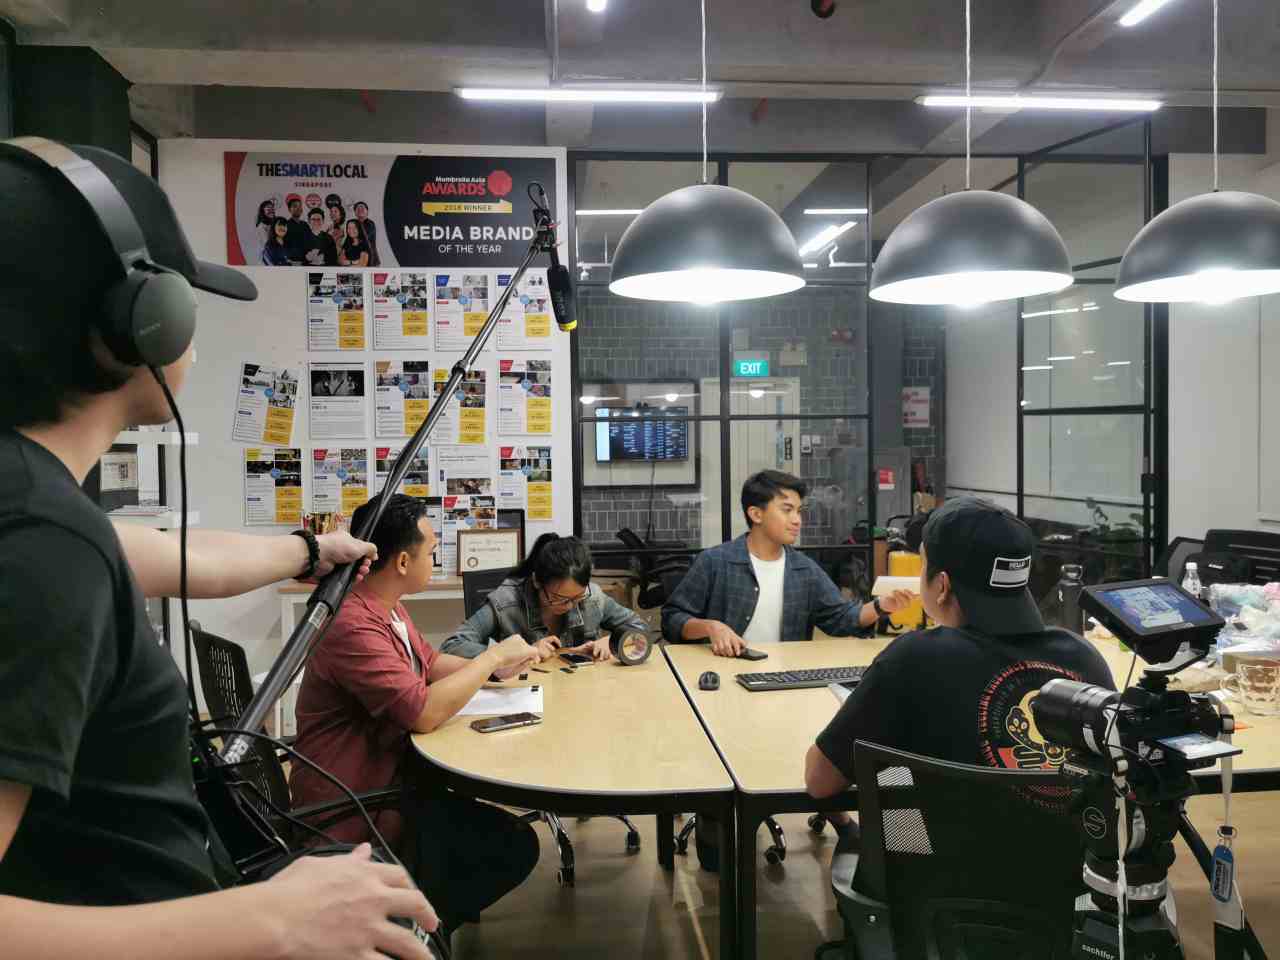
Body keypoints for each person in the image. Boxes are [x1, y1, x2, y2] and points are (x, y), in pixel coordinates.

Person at [0, 140, 437, 959]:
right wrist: (269, 920)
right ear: (141, 321)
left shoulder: (39, 509)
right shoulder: (43, 544)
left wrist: (309, 551)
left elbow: (176, 557)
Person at [804, 498, 1115, 956]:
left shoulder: (913, 659)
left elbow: (820, 781)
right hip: (1059, 903)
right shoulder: (1084, 660)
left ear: (942, 584)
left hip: (930, 899)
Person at [291, 493, 541, 935]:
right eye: (432, 551)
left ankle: (423, 917)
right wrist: (490, 657)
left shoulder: (386, 606)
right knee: (513, 846)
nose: (435, 559)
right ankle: (414, 931)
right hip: (359, 799)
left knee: (482, 826)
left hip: (394, 776)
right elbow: (421, 711)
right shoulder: (352, 623)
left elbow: (430, 663)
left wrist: (496, 671)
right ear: (403, 562)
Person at [662, 470, 915, 654]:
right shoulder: (715, 562)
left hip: (782, 675)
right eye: (786, 510)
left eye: (799, 511)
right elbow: (672, 619)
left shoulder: (804, 569)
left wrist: (882, 605)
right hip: (720, 673)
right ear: (756, 514)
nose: (797, 520)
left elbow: (841, 618)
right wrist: (710, 627)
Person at [443, 533, 648, 663]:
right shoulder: (506, 603)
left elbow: (639, 627)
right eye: (560, 598)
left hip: (579, 693)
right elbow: (452, 646)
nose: (569, 606)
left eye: (577, 597)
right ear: (537, 582)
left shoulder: (592, 597)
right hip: (524, 695)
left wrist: (613, 641)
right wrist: (521, 652)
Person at [353, 200, 381, 266]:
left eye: (362, 208)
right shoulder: (353, 224)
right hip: (357, 259)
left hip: (372, 259)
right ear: (355, 213)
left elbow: (364, 238)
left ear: (367, 211)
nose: (360, 210)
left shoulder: (370, 223)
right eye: (358, 209)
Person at [282, 192, 308, 263]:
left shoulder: (305, 224)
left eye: (300, 206)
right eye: (295, 206)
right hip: (292, 262)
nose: (298, 208)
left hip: (306, 261)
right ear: (289, 209)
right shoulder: (285, 225)